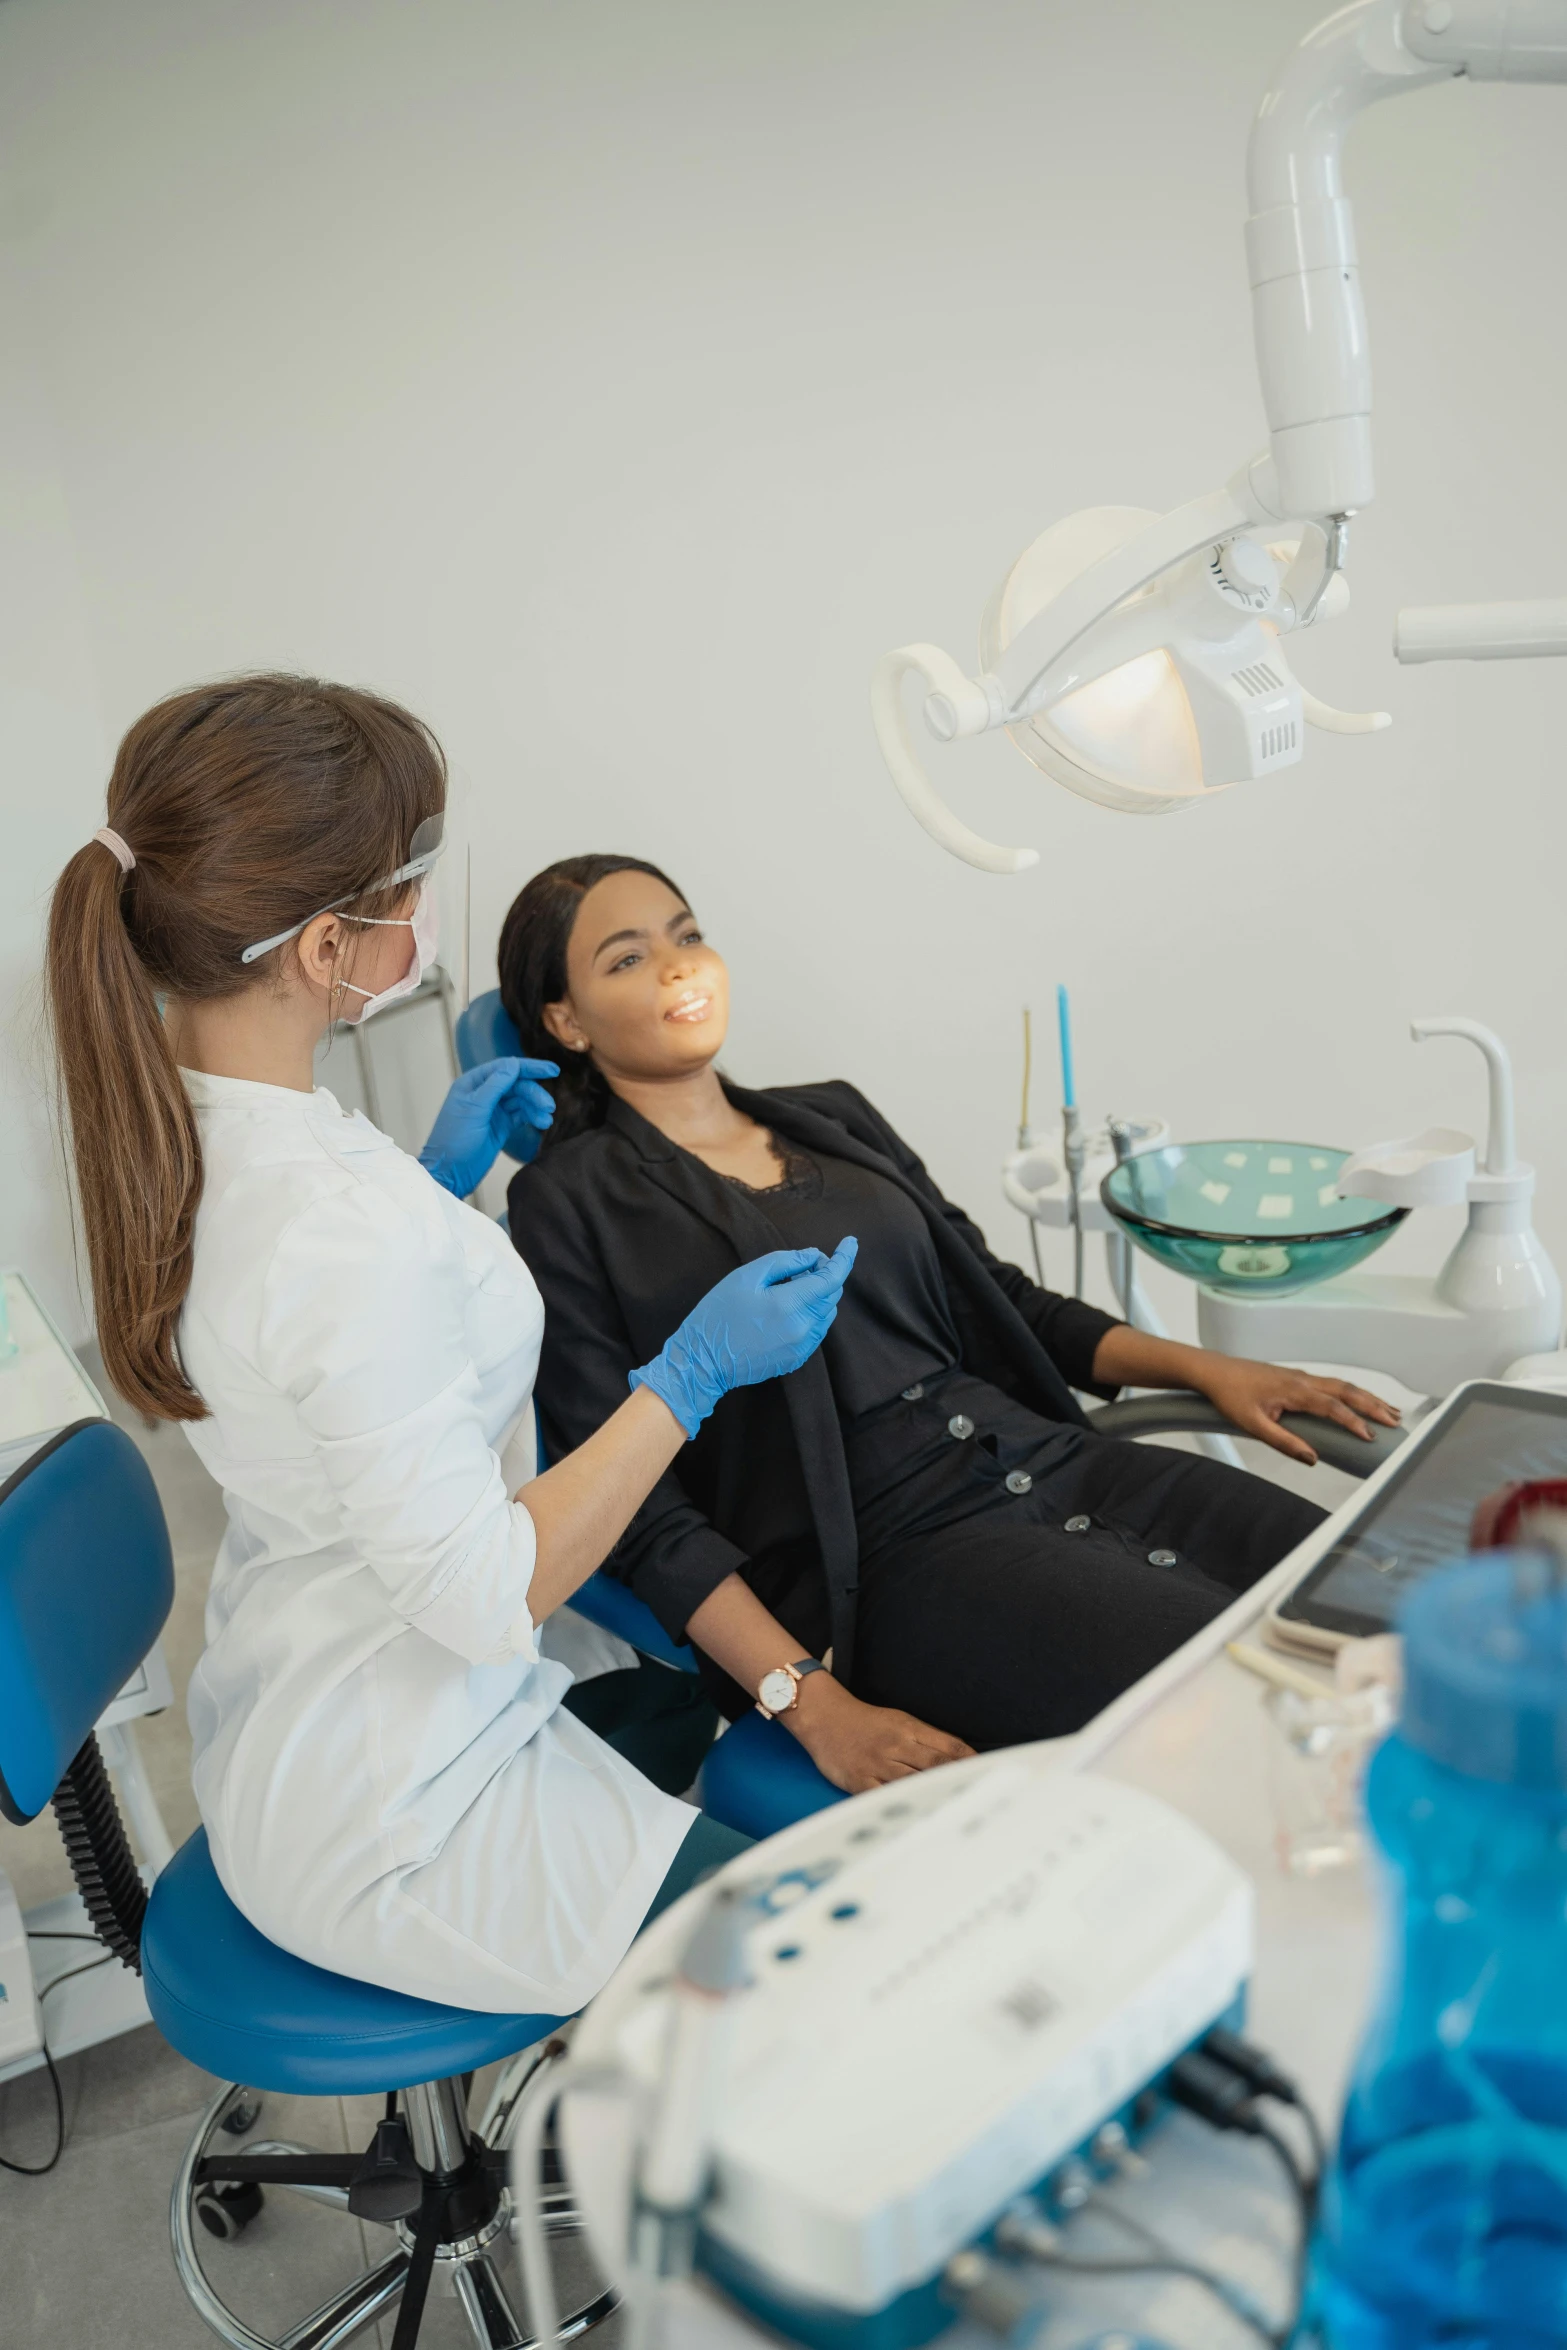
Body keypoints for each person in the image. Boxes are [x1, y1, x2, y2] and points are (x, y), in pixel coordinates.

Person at [43, 678, 859, 2015]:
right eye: (410, 880)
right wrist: (690, 1374)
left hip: (311, 1698)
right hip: (401, 1816)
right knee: (810, 1979)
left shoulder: (189, 1125)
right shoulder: (333, 1230)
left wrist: (430, 1179)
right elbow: (486, 1591)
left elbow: (311, 1346)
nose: (424, 915)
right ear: (323, 944)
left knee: (669, 1719)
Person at [500, 854, 1402, 1794]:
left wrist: (1211, 1371)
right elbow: (638, 1512)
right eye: (627, 958)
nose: (679, 966)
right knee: (1251, 1722)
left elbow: (1000, 1297)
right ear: (565, 1020)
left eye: (687, 935)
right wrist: (814, 1705)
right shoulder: (563, 1203)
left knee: (1387, 1609)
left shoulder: (832, 1117)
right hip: (890, 1561)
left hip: (1058, 1458)